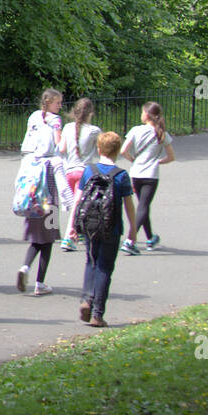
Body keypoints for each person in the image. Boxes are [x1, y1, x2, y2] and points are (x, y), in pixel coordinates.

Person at [78, 132, 137, 327]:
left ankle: (86, 299)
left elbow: (79, 200)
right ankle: (97, 314)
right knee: (105, 267)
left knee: (90, 261)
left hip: (90, 225)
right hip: (111, 227)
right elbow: (129, 205)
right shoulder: (122, 175)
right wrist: (133, 230)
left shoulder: (89, 171)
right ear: (119, 151)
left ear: (98, 149)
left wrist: (72, 225)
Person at [16, 88, 67, 295]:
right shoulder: (55, 121)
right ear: (49, 102)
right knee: (49, 236)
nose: (60, 107)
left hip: (32, 191)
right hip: (49, 192)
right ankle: (39, 282)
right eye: (58, 103)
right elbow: (59, 145)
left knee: (36, 236)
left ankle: (25, 267)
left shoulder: (34, 117)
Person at [120, 102, 175, 254]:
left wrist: (133, 160)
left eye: (142, 112)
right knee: (143, 206)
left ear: (147, 115)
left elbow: (124, 150)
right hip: (151, 175)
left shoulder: (136, 130)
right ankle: (131, 240)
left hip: (136, 173)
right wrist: (158, 161)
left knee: (143, 206)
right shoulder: (161, 133)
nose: (141, 114)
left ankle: (150, 237)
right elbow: (171, 157)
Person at [59, 98, 101, 252]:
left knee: (79, 204)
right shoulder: (94, 130)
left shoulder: (67, 128)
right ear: (90, 113)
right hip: (84, 172)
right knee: (79, 205)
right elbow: (102, 147)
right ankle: (69, 236)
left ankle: (80, 232)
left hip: (69, 172)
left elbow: (62, 148)